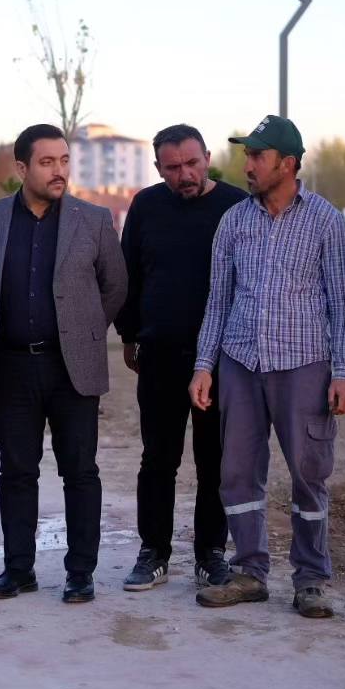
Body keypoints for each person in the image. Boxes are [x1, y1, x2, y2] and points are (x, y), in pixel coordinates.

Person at [188, 115, 345, 619]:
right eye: (247, 155)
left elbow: (342, 303)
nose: (248, 165)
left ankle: (311, 579)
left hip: (304, 364)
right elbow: (218, 300)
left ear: (287, 163)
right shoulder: (234, 222)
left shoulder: (325, 220)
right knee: (237, 472)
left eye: (257, 156)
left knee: (309, 474)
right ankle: (249, 571)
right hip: (240, 362)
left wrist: (344, 371)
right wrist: (204, 365)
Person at [0, 124, 128, 604]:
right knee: (16, 471)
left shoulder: (93, 220)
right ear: (22, 168)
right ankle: (18, 570)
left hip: (71, 367)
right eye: (47, 162)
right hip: (12, 368)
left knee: (80, 471)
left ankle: (80, 572)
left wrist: (82, 330)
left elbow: (114, 286)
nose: (59, 171)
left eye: (64, 160)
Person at [116, 125, 247, 592]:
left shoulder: (235, 206)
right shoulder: (146, 206)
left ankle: (210, 553)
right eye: (173, 168)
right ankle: (154, 551)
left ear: (207, 157)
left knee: (215, 460)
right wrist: (129, 334)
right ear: (158, 169)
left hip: (221, 359)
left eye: (192, 163)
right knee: (158, 458)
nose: (184, 174)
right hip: (160, 354)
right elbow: (129, 274)